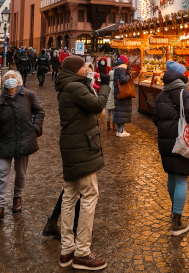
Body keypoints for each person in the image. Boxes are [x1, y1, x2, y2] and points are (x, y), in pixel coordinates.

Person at [55, 54, 110, 270]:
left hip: (72, 146)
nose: (86, 70)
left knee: (70, 196)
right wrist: (105, 85)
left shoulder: (68, 85)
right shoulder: (74, 87)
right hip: (82, 147)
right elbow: (97, 105)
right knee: (89, 195)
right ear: (76, 69)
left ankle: (67, 250)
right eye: (83, 68)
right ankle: (82, 252)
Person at [151, 60, 189, 236]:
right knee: (181, 179)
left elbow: (155, 117)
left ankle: (174, 211)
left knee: (172, 175)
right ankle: (177, 222)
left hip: (165, 142)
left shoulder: (161, 95)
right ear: (181, 77)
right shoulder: (184, 94)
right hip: (181, 141)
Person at [0, 70, 44, 222]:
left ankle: (17, 198)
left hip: (23, 141)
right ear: (4, 82)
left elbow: (39, 111)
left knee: (21, 173)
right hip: (5, 142)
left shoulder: (28, 95)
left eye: (13, 78)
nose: (10, 80)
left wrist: (36, 128)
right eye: (7, 78)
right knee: (2, 174)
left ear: (19, 81)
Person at [113, 55, 132, 137]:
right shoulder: (123, 68)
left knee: (118, 111)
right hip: (122, 93)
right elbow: (123, 79)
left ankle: (118, 131)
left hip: (118, 92)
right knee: (122, 112)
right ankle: (121, 131)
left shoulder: (117, 68)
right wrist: (129, 76)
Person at [106, 65, 116, 131]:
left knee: (108, 114)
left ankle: (108, 126)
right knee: (114, 114)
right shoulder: (115, 83)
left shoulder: (108, 83)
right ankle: (114, 126)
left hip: (108, 101)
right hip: (113, 101)